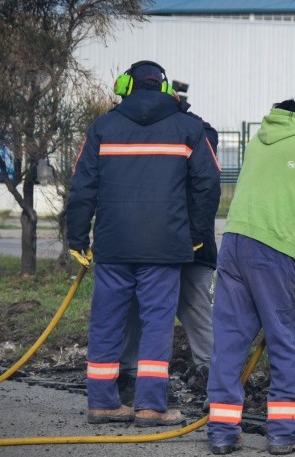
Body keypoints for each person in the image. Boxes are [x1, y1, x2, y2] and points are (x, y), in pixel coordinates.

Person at [66, 60, 221, 427]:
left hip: (113, 245)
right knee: (157, 324)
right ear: (166, 90)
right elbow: (208, 184)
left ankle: (102, 403)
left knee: (106, 322)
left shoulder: (102, 128)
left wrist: (76, 237)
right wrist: (197, 235)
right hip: (165, 246)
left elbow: (82, 187)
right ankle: (151, 407)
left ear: (124, 86)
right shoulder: (189, 129)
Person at [205, 97, 295, 455]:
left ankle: (221, 431)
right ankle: (282, 434)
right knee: (284, 341)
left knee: (230, 342)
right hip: (273, 250)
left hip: (233, 244)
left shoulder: (261, 137)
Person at [117, 110, 219, 406]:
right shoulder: (171, 135)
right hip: (159, 244)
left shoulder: (198, 134)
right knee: (146, 310)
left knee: (192, 308)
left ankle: (213, 377)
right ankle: (133, 377)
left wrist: (197, 239)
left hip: (184, 247)